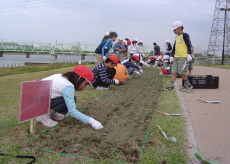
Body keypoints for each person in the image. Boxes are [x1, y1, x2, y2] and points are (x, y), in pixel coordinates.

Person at [36, 65, 103, 130]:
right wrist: (92, 121)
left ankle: (51, 112)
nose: (84, 87)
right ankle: (42, 115)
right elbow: (72, 112)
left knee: (72, 98)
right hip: (39, 103)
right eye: (85, 84)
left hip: (37, 99)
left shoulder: (60, 76)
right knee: (70, 99)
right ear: (79, 79)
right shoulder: (67, 86)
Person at [166, 21, 193, 92]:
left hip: (183, 57)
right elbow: (174, 47)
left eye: (175, 29)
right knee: (173, 72)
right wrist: (172, 55)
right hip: (176, 57)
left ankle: (188, 85)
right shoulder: (177, 37)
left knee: (182, 73)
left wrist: (189, 54)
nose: (174, 31)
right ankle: (171, 86)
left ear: (180, 28)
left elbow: (189, 45)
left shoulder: (185, 35)